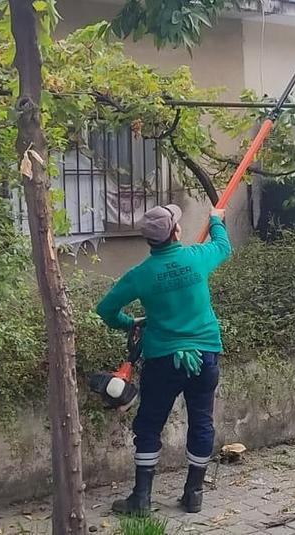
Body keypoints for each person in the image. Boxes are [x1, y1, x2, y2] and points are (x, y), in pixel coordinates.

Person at [96, 204, 232, 516]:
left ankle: (141, 498)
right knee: (201, 422)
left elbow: (106, 310)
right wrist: (216, 221)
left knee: (148, 425)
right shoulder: (196, 258)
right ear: (175, 232)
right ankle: (193, 493)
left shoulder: (140, 275)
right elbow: (223, 247)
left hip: (162, 361)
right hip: (205, 356)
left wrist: (130, 323)